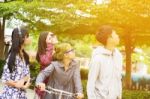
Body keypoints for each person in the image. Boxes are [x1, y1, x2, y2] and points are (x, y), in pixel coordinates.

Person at [87, 25, 123, 99]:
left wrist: (119, 95)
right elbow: (91, 83)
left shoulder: (118, 56)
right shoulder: (97, 58)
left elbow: (118, 78)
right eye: (115, 34)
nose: (118, 36)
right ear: (109, 37)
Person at [0, 27, 31, 99]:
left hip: (21, 94)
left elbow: (27, 75)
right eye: (28, 36)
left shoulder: (25, 56)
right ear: (22, 38)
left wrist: (24, 82)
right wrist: (17, 85)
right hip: (11, 94)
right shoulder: (12, 56)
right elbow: (5, 78)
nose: (29, 39)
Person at [35, 31, 58, 98]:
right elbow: (45, 61)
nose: (53, 38)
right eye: (50, 37)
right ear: (44, 39)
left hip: (53, 82)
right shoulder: (43, 51)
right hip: (44, 82)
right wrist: (51, 45)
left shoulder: (55, 49)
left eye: (53, 36)